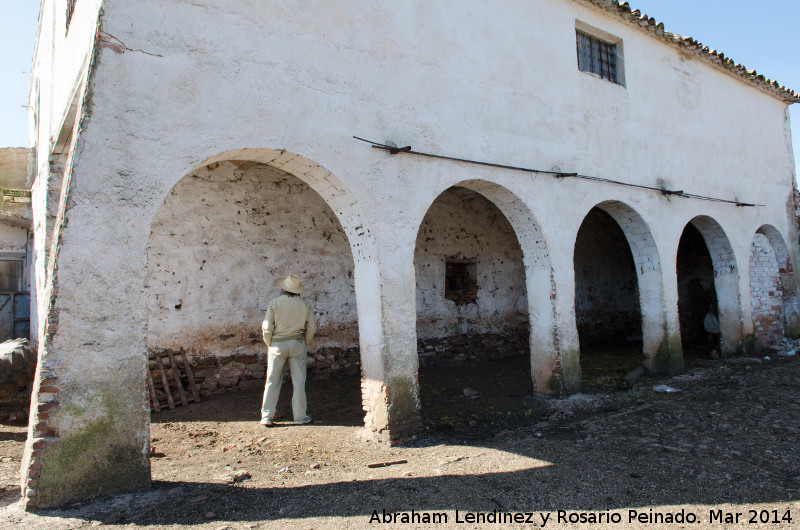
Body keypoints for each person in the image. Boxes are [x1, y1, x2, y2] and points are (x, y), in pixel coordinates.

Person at [260, 274, 317, 426]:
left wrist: (269, 343)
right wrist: (304, 342)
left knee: (272, 380)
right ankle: (299, 416)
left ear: (283, 289)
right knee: (299, 382)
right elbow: (311, 327)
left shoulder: (275, 303)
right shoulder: (305, 304)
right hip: (298, 344)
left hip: (277, 345)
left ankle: (267, 416)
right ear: (298, 290)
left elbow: (267, 327)